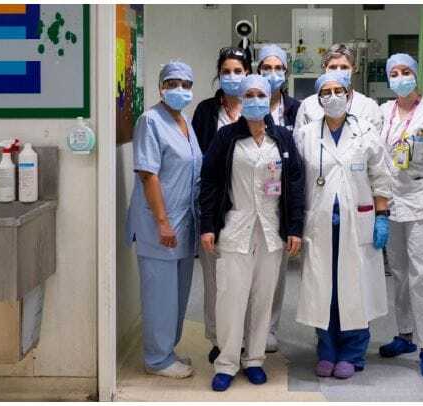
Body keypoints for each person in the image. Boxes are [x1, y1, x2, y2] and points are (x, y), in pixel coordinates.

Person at [199, 75, 305, 392]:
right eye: (250, 95)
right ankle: (227, 362)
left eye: (262, 94)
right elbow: (210, 183)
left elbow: (295, 185)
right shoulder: (226, 137)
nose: (257, 99)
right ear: (242, 100)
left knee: (263, 297)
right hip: (235, 226)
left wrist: (295, 227)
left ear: (270, 96)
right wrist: (207, 225)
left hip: (272, 229)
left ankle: (255, 359)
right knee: (230, 297)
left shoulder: (282, 139)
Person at [294, 71, 392, 379]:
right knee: (324, 288)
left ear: (349, 95)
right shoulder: (306, 134)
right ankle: (326, 349)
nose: (333, 96)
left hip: (358, 222)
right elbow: (297, 182)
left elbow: (381, 178)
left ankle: (353, 352)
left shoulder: (366, 132)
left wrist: (382, 217)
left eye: (339, 90)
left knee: (355, 287)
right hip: (320, 224)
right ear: (318, 97)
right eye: (327, 91)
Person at [125, 61, 202, 379]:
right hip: (160, 224)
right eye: (172, 83)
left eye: (186, 84)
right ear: (160, 87)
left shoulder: (183, 120)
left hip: (185, 222)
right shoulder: (150, 120)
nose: (180, 90)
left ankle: (167, 350)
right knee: (160, 295)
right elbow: (148, 174)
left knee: (178, 294)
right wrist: (162, 221)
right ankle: (156, 359)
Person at [377, 53, 423, 379]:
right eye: (394, 73)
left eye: (405, 72)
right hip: (392, 201)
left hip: (421, 200)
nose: (400, 77)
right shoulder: (384, 112)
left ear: (415, 75)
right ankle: (405, 335)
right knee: (398, 272)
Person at [191, 46, 251, 364]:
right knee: (215, 280)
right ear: (218, 74)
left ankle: (245, 339)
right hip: (215, 206)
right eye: (226, 71)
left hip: (250, 205)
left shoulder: (255, 106)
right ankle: (218, 339)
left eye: (238, 71)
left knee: (247, 278)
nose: (231, 77)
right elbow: (198, 159)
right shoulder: (204, 111)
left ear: (247, 73)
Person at [256, 43, 302, 353]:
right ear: (256, 71)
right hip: (248, 198)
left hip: (281, 200)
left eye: (278, 68)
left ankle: (269, 328)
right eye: (266, 68)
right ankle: (247, 329)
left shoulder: (297, 109)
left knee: (276, 271)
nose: (272, 74)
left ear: (286, 72)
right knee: (246, 270)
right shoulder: (250, 102)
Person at [293, 43, 383, 134]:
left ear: (354, 69)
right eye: (333, 67)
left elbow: (376, 144)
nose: (338, 72)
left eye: (344, 67)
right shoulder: (309, 106)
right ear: (325, 69)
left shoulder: (368, 107)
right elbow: (299, 142)